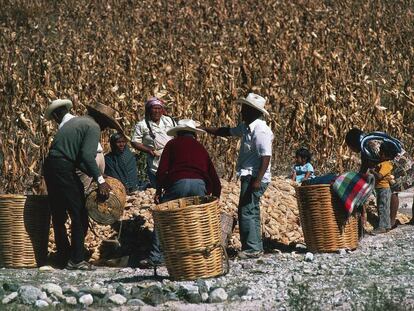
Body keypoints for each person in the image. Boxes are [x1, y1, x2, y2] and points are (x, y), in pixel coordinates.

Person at [43, 103, 124, 270]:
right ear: (101, 120)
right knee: (79, 213)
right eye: (106, 126)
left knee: (58, 214)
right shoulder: (93, 126)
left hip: (52, 166)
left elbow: (79, 158)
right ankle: (76, 259)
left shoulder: (78, 121)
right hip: (63, 168)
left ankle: (63, 256)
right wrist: (101, 181)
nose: (104, 129)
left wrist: (98, 176)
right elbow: (87, 156)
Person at [202, 93, 273, 259]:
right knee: (250, 210)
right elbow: (227, 131)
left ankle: (252, 248)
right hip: (249, 175)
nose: (241, 112)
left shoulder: (260, 130)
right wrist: (206, 129)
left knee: (247, 210)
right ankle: (254, 247)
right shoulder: (247, 127)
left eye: (245, 109)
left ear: (253, 111)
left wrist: (258, 180)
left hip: (255, 176)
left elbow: (266, 156)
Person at [141, 119, 221, 267]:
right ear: (194, 134)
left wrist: (159, 190)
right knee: (196, 220)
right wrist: (216, 196)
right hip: (199, 185)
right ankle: (199, 257)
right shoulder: (200, 147)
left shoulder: (172, 144)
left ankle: (156, 257)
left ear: (177, 133)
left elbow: (162, 170)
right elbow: (212, 173)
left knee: (164, 217)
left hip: (178, 183)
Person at [345, 128, 413, 227]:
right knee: (392, 189)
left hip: (400, 164)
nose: (351, 150)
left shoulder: (370, 145)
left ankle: (391, 222)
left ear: (353, 143)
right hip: (401, 161)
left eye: (350, 147)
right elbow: (363, 169)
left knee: (393, 190)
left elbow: (382, 165)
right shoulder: (366, 144)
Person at [45, 99, 105, 193]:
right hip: (98, 157)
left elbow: (84, 155)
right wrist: (96, 174)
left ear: (55, 115)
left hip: (88, 161)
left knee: (83, 193)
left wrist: (98, 177)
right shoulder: (77, 119)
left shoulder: (65, 125)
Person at [131, 97, 176, 188]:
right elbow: (135, 142)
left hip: (172, 156)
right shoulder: (142, 125)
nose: (157, 111)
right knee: (158, 183)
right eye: (154, 108)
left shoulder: (169, 120)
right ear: (149, 110)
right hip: (155, 157)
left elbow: (178, 133)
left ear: (162, 110)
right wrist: (148, 150)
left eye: (159, 108)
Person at [369, 142, 398, 234]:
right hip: (380, 188)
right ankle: (386, 225)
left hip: (384, 189)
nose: (379, 154)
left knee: (383, 208)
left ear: (385, 155)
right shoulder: (383, 163)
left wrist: (372, 171)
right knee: (381, 207)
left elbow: (379, 176)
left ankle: (382, 227)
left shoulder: (386, 164)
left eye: (381, 152)